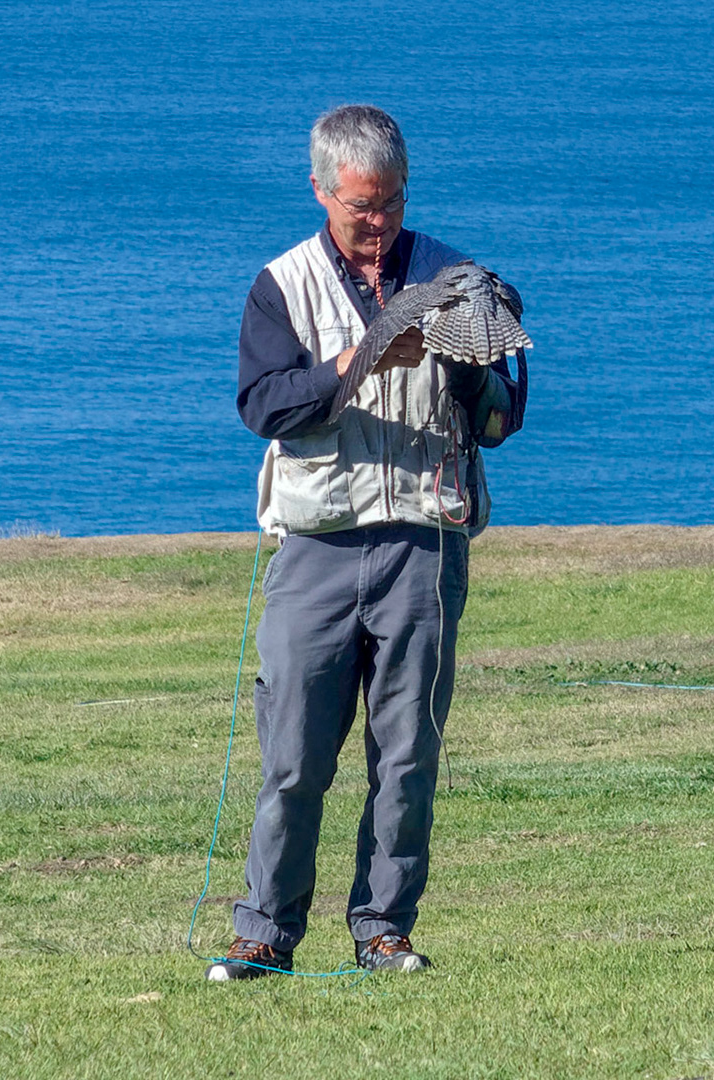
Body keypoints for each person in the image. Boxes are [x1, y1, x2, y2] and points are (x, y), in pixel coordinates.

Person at [207, 104, 528, 980]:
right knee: (293, 755)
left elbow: (503, 417)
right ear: (320, 190)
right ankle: (264, 935)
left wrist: (474, 369)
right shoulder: (282, 284)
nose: (379, 221)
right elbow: (262, 404)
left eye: (391, 201)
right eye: (360, 206)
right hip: (316, 546)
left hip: (424, 539)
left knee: (409, 751)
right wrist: (355, 367)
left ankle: (384, 931)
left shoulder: (456, 277)